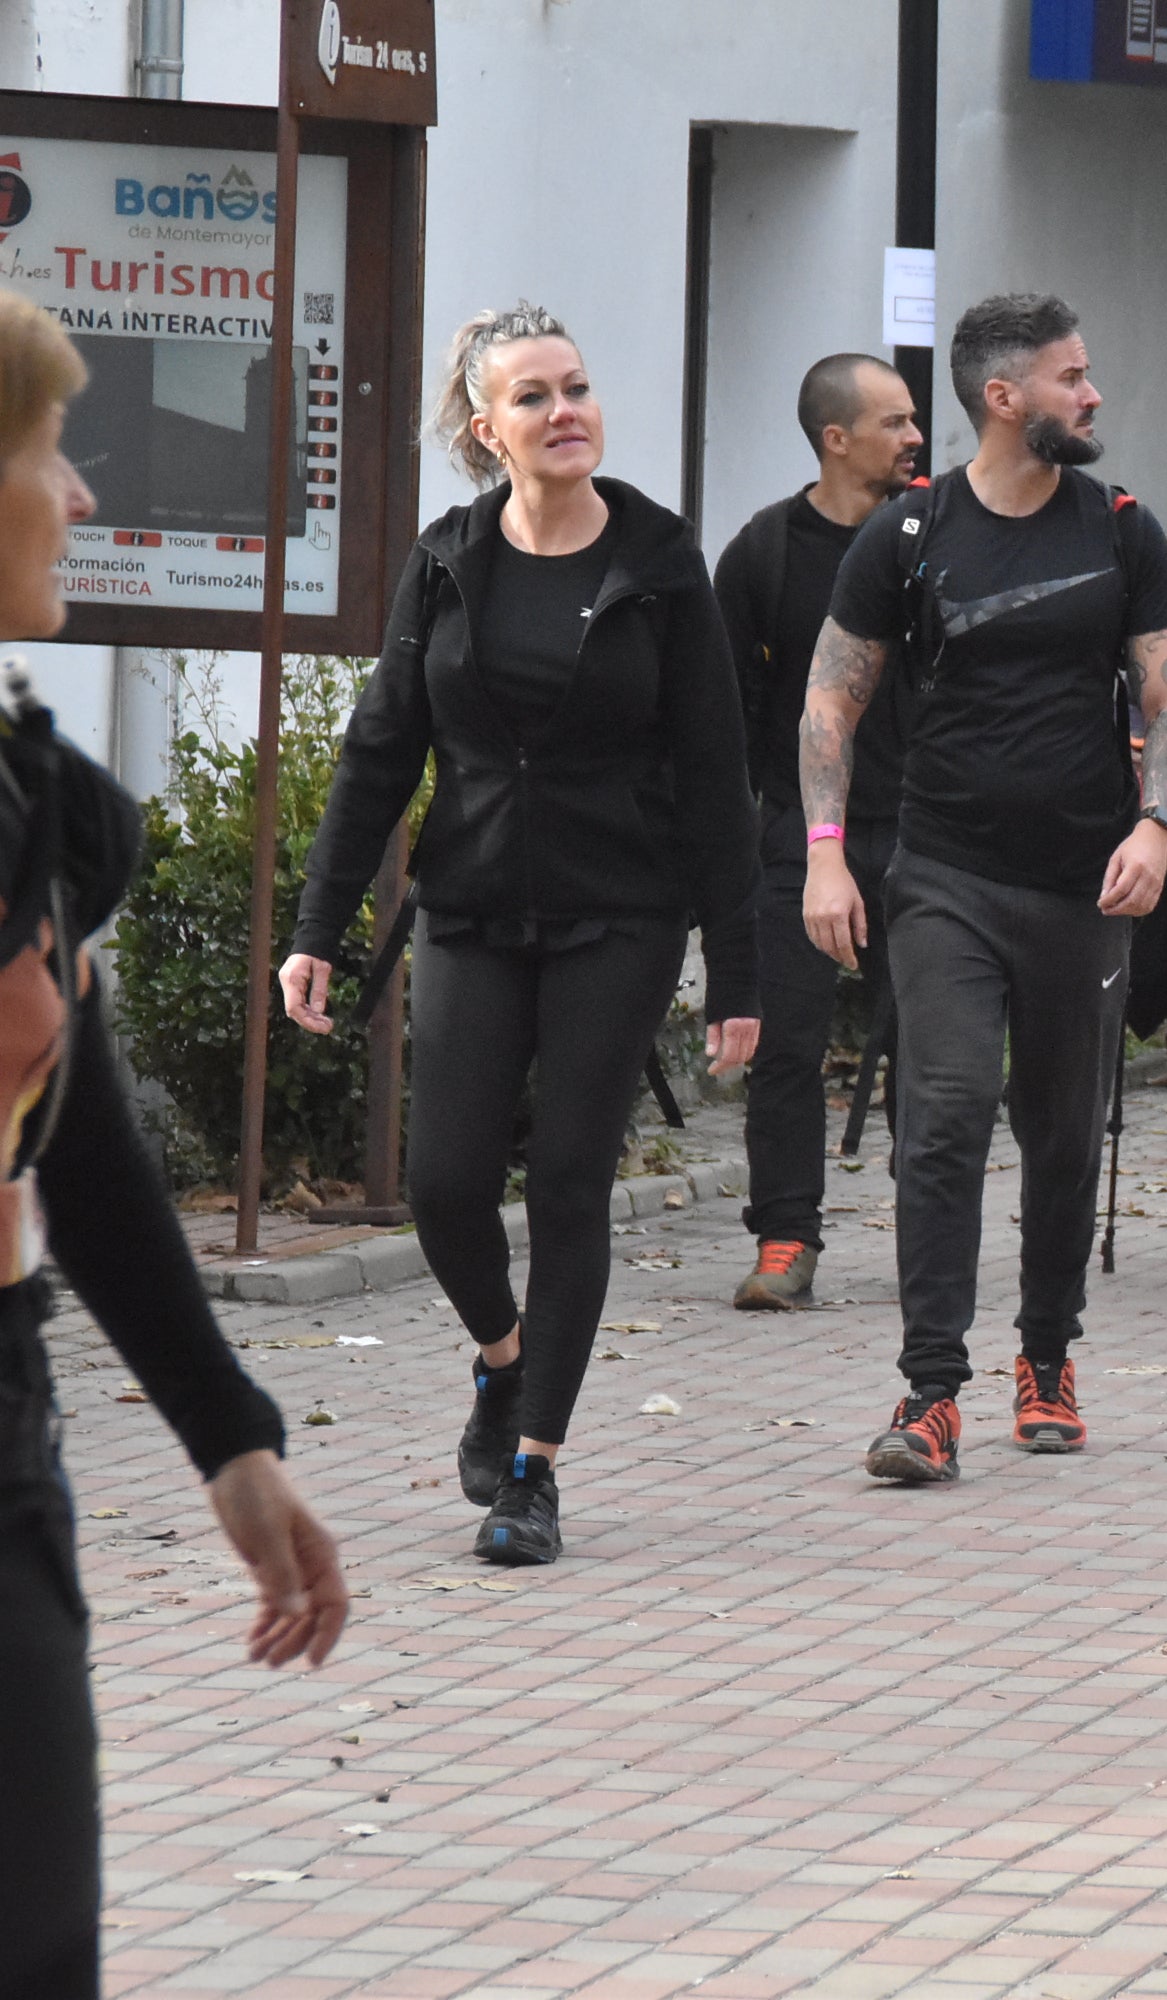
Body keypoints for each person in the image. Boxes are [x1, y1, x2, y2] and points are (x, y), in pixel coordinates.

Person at [285, 303, 761, 1567]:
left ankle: (535, 1471)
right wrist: (318, 925)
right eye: (536, 397)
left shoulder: (660, 564)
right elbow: (382, 746)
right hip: (474, 904)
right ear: (487, 430)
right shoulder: (449, 560)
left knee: (566, 1181)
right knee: (443, 1186)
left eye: (579, 388)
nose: (567, 413)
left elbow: (718, 778)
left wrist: (741, 971)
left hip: (622, 911)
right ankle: (502, 1358)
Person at [0, 287, 347, 1999]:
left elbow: (81, 1149)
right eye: (45, 450)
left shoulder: (20, 793)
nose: (75, 496)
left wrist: (230, 1436)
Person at [802, 293, 1167, 1483]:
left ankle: (1046, 1354)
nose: (1091, 394)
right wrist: (827, 847)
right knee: (947, 1112)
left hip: (1085, 884)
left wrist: (1157, 824)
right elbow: (831, 699)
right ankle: (930, 1390)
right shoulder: (909, 536)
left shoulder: (1121, 532)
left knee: (1065, 1129)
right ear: (1004, 396)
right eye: (1071, 377)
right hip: (946, 876)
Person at [721, 353, 923, 1310]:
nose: (915, 438)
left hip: (926, 836)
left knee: (931, 1050)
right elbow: (727, 711)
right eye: (895, 422)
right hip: (799, 842)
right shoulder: (762, 553)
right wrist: (760, 830)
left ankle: (931, 1235)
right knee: (786, 1045)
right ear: (836, 439)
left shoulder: (931, 541)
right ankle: (785, 1238)